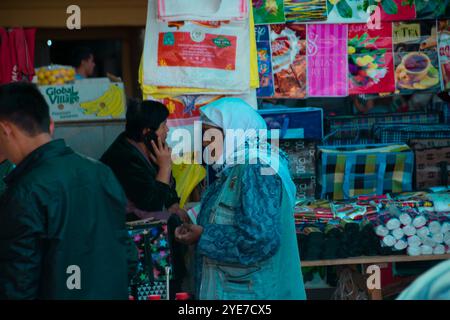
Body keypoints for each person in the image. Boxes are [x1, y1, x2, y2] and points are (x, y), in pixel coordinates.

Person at [0, 82, 134, 299]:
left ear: (5, 129)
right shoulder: (101, 173)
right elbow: (127, 256)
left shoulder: (25, 191)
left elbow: (19, 283)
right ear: (49, 124)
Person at [174, 97, 306, 300]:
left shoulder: (255, 168)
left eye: (210, 134)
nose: (203, 141)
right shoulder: (235, 167)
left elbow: (260, 238)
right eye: (203, 134)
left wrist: (203, 236)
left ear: (234, 131)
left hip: (252, 292)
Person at [100, 99, 188, 297]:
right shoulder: (123, 158)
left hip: (156, 243)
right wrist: (165, 167)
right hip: (139, 249)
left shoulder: (147, 147)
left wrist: (173, 203)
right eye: (163, 126)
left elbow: (167, 186)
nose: (167, 131)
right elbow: (152, 201)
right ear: (147, 131)